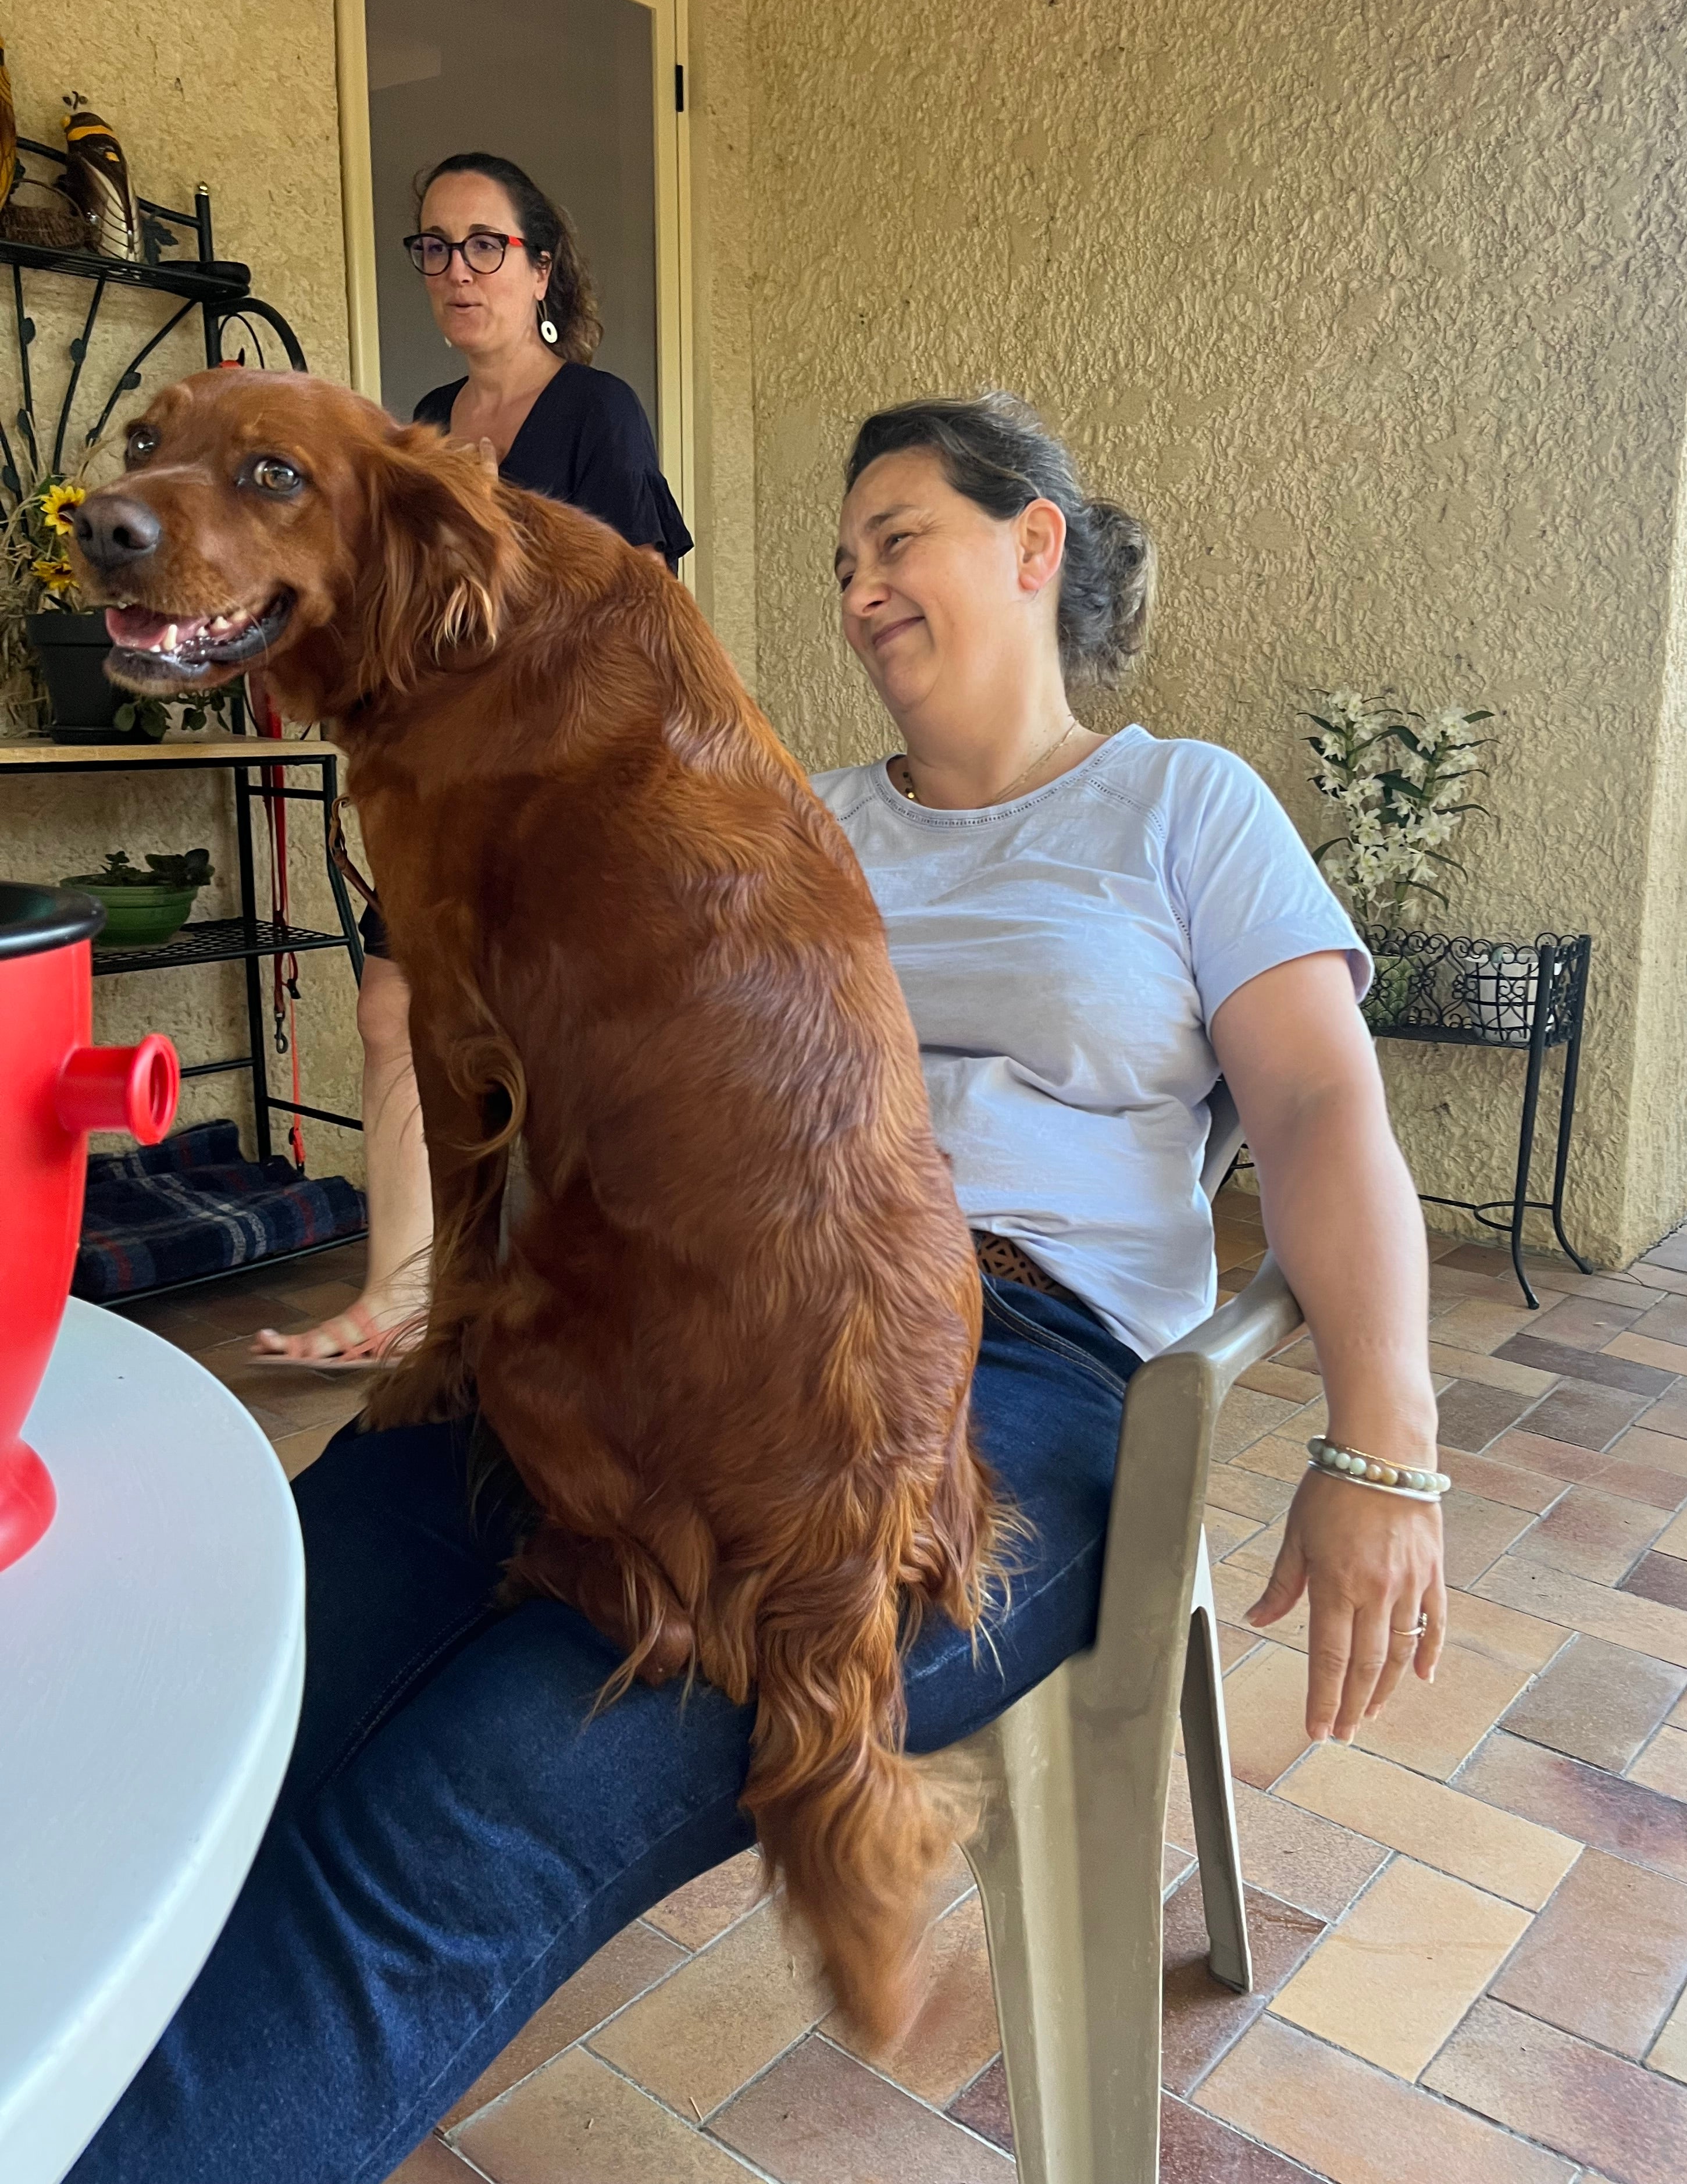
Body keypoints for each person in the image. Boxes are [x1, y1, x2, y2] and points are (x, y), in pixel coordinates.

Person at [78, 393, 1445, 2182]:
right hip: (647, 1319)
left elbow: (1324, 1104)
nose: (861, 586)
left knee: (488, 1794)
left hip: (1010, 1378)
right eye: (842, 561)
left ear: (1037, 547)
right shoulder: (771, 798)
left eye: (902, 540)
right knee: (268, 1651)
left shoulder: (1182, 802)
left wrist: (1385, 1444)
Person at [254, 153, 691, 1366]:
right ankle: (401, 1295)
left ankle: (585, 1300)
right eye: (435, 246)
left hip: (565, 785)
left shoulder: (596, 413)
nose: (457, 270)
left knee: (550, 1038)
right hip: (447, 782)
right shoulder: (423, 427)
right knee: (394, 1007)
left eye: (484, 244)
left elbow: (641, 604)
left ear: (540, 266)